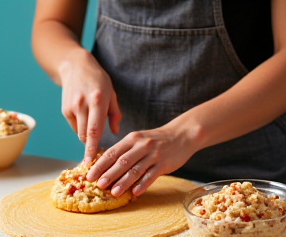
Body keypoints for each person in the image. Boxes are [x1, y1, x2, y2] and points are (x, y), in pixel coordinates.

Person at [32, 0, 286, 198]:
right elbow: (52, 22)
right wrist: (72, 63)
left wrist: (183, 134)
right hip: (121, 172)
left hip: (248, 178)